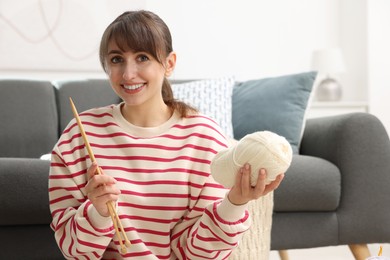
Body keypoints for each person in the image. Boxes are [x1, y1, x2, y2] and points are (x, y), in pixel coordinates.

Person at [48, 10, 284, 259]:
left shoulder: (204, 138)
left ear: (169, 63)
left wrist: (235, 202)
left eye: (142, 57)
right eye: (117, 60)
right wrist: (97, 212)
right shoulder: (79, 134)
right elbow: (73, 251)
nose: (128, 74)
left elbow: (198, 254)